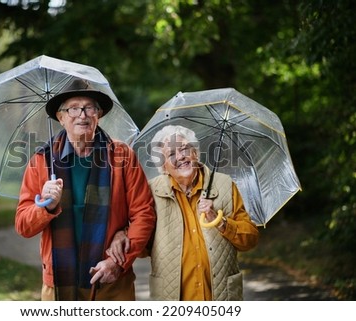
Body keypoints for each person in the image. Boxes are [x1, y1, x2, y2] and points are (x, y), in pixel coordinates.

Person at [15, 78, 156, 301]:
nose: (82, 114)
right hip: (59, 284)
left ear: (98, 114)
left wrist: (117, 261)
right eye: (73, 108)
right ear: (60, 118)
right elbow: (23, 225)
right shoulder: (41, 161)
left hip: (112, 282)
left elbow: (144, 213)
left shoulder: (122, 155)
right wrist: (47, 207)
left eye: (89, 107)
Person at [108, 125, 259, 301]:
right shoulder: (150, 192)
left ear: (195, 153)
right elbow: (141, 244)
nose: (180, 157)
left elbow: (250, 239)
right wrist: (122, 234)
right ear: (163, 166)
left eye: (185, 149)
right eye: (171, 154)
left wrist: (220, 221)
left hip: (221, 297)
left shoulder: (224, 185)